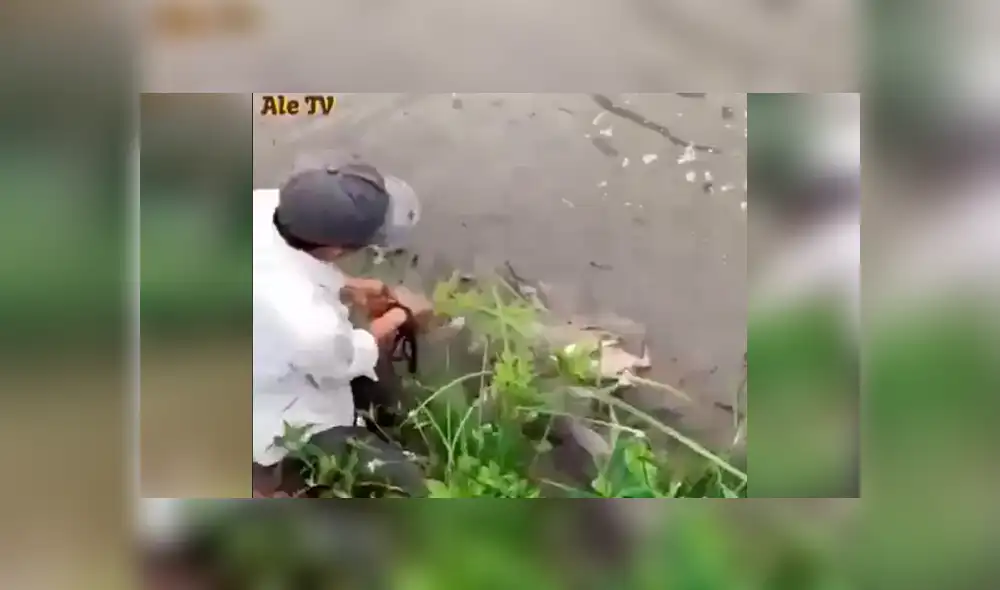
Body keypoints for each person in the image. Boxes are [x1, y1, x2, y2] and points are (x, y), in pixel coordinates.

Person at [253, 162, 433, 496]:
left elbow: (279, 263)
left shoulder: (264, 206)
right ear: (336, 249)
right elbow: (345, 358)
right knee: (408, 484)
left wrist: (349, 285)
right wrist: (401, 314)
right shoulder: (310, 325)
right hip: (268, 413)